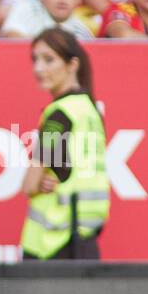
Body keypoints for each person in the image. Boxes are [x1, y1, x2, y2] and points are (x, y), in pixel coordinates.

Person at [20, 27, 109, 260]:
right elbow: (72, 170)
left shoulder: (58, 116)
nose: (39, 68)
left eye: (49, 59)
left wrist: (39, 184)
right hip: (85, 240)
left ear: (72, 65)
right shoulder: (89, 110)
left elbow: (29, 184)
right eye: (35, 60)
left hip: (51, 244)